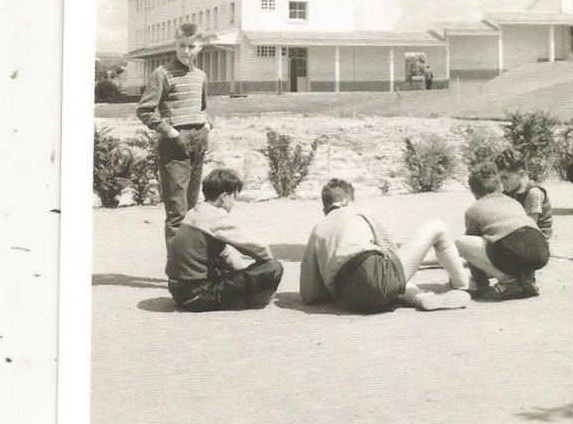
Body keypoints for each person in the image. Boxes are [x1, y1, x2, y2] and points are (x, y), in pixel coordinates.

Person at [300, 178, 470, 313]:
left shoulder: (317, 230)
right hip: (376, 277)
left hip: (352, 299)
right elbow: (391, 252)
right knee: (436, 226)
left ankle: (422, 297)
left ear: (325, 209)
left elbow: (308, 292)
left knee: (389, 281)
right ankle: (463, 285)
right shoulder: (357, 212)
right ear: (349, 201)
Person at [137, 22, 211, 251]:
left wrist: (207, 125)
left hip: (198, 142)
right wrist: (170, 132)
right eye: (181, 46)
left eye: (191, 46)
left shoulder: (200, 75)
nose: (186, 51)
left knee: (192, 208)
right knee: (177, 212)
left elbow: (202, 107)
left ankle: (191, 266)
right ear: (175, 45)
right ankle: (178, 272)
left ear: (200, 47)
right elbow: (145, 110)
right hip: (175, 145)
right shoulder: (162, 74)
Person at [166, 168, 283, 312]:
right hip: (197, 295)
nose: (234, 202)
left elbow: (225, 253)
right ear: (224, 196)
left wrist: (243, 271)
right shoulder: (215, 215)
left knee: (230, 268)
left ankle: (241, 296)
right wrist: (264, 267)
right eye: (234, 196)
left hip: (177, 290)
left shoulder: (196, 211)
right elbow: (256, 246)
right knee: (274, 268)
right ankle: (254, 300)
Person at [456, 162, 550, 300]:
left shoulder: (473, 210)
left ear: (474, 193)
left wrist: (481, 285)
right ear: (499, 186)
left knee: (461, 244)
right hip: (541, 252)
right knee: (515, 240)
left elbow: (474, 256)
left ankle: (507, 280)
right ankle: (526, 278)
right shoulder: (513, 202)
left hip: (511, 250)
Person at [495, 146, 553, 239]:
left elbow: (530, 228)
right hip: (520, 237)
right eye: (500, 179)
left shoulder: (533, 193)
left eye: (505, 178)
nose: (502, 182)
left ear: (521, 174)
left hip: (535, 242)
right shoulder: (509, 191)